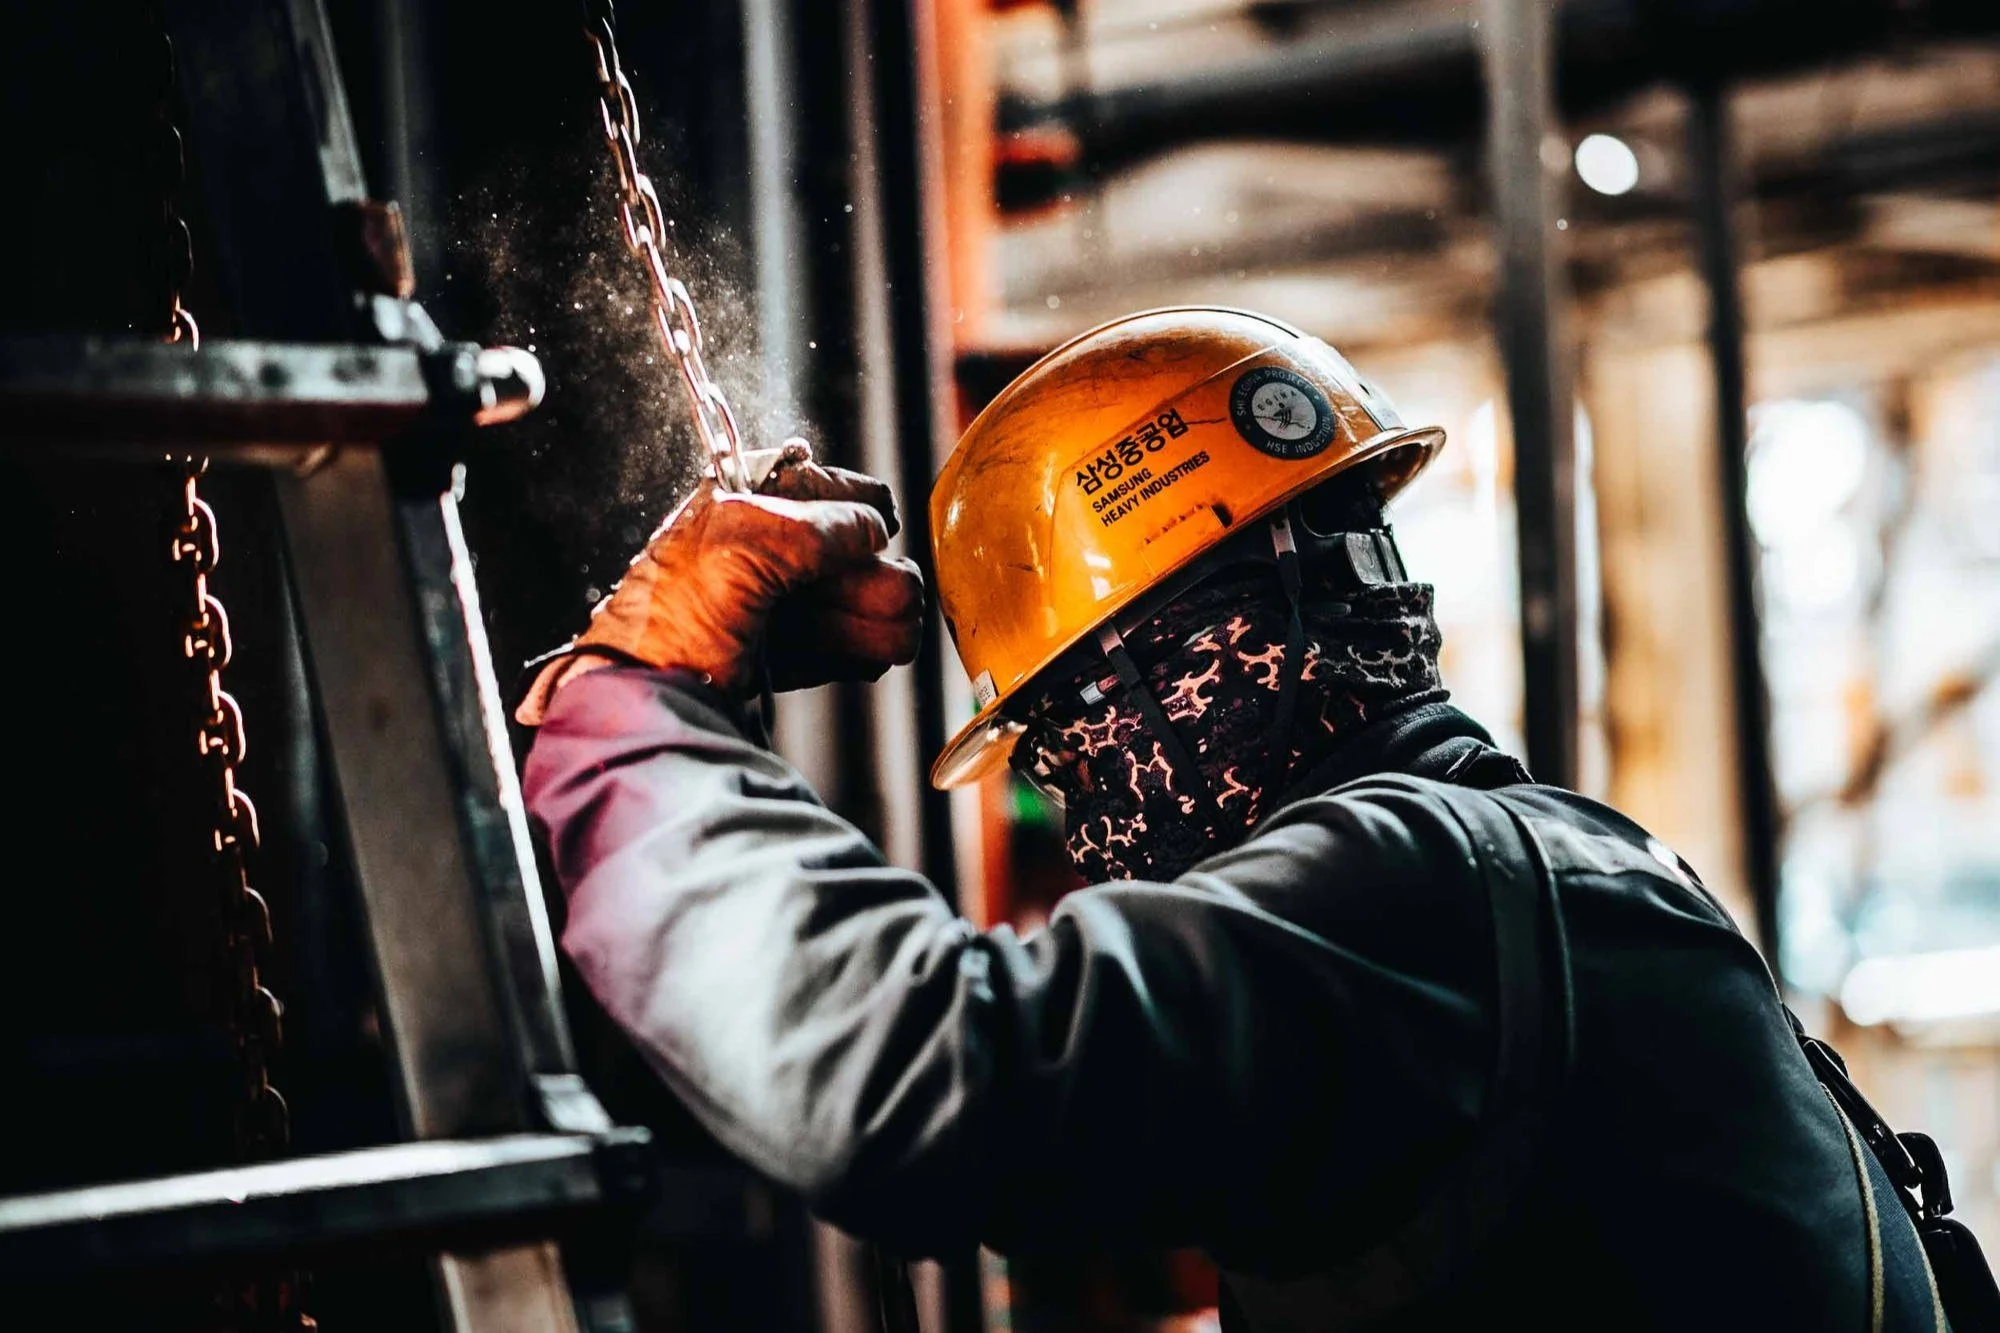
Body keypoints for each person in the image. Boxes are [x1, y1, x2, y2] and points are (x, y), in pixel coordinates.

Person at [515, 308, 1956, 1331]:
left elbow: (910, 1070)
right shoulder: (1548, 877)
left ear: (1179, 666)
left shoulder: (1421, 890)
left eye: (1068, 731)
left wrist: (637, 692)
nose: (1075, 790)